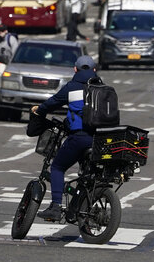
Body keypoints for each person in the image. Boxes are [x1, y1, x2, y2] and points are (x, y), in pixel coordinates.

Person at [31, 55, 105, 222]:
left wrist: (40, 110)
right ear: (94, 70)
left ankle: (56, 207)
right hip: (100, 139)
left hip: (80, 137)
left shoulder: (72, 87)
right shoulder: (103, 88)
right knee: (86, 173)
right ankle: (78, 206)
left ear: (75, 69)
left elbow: (53, 102)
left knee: (57, 167)